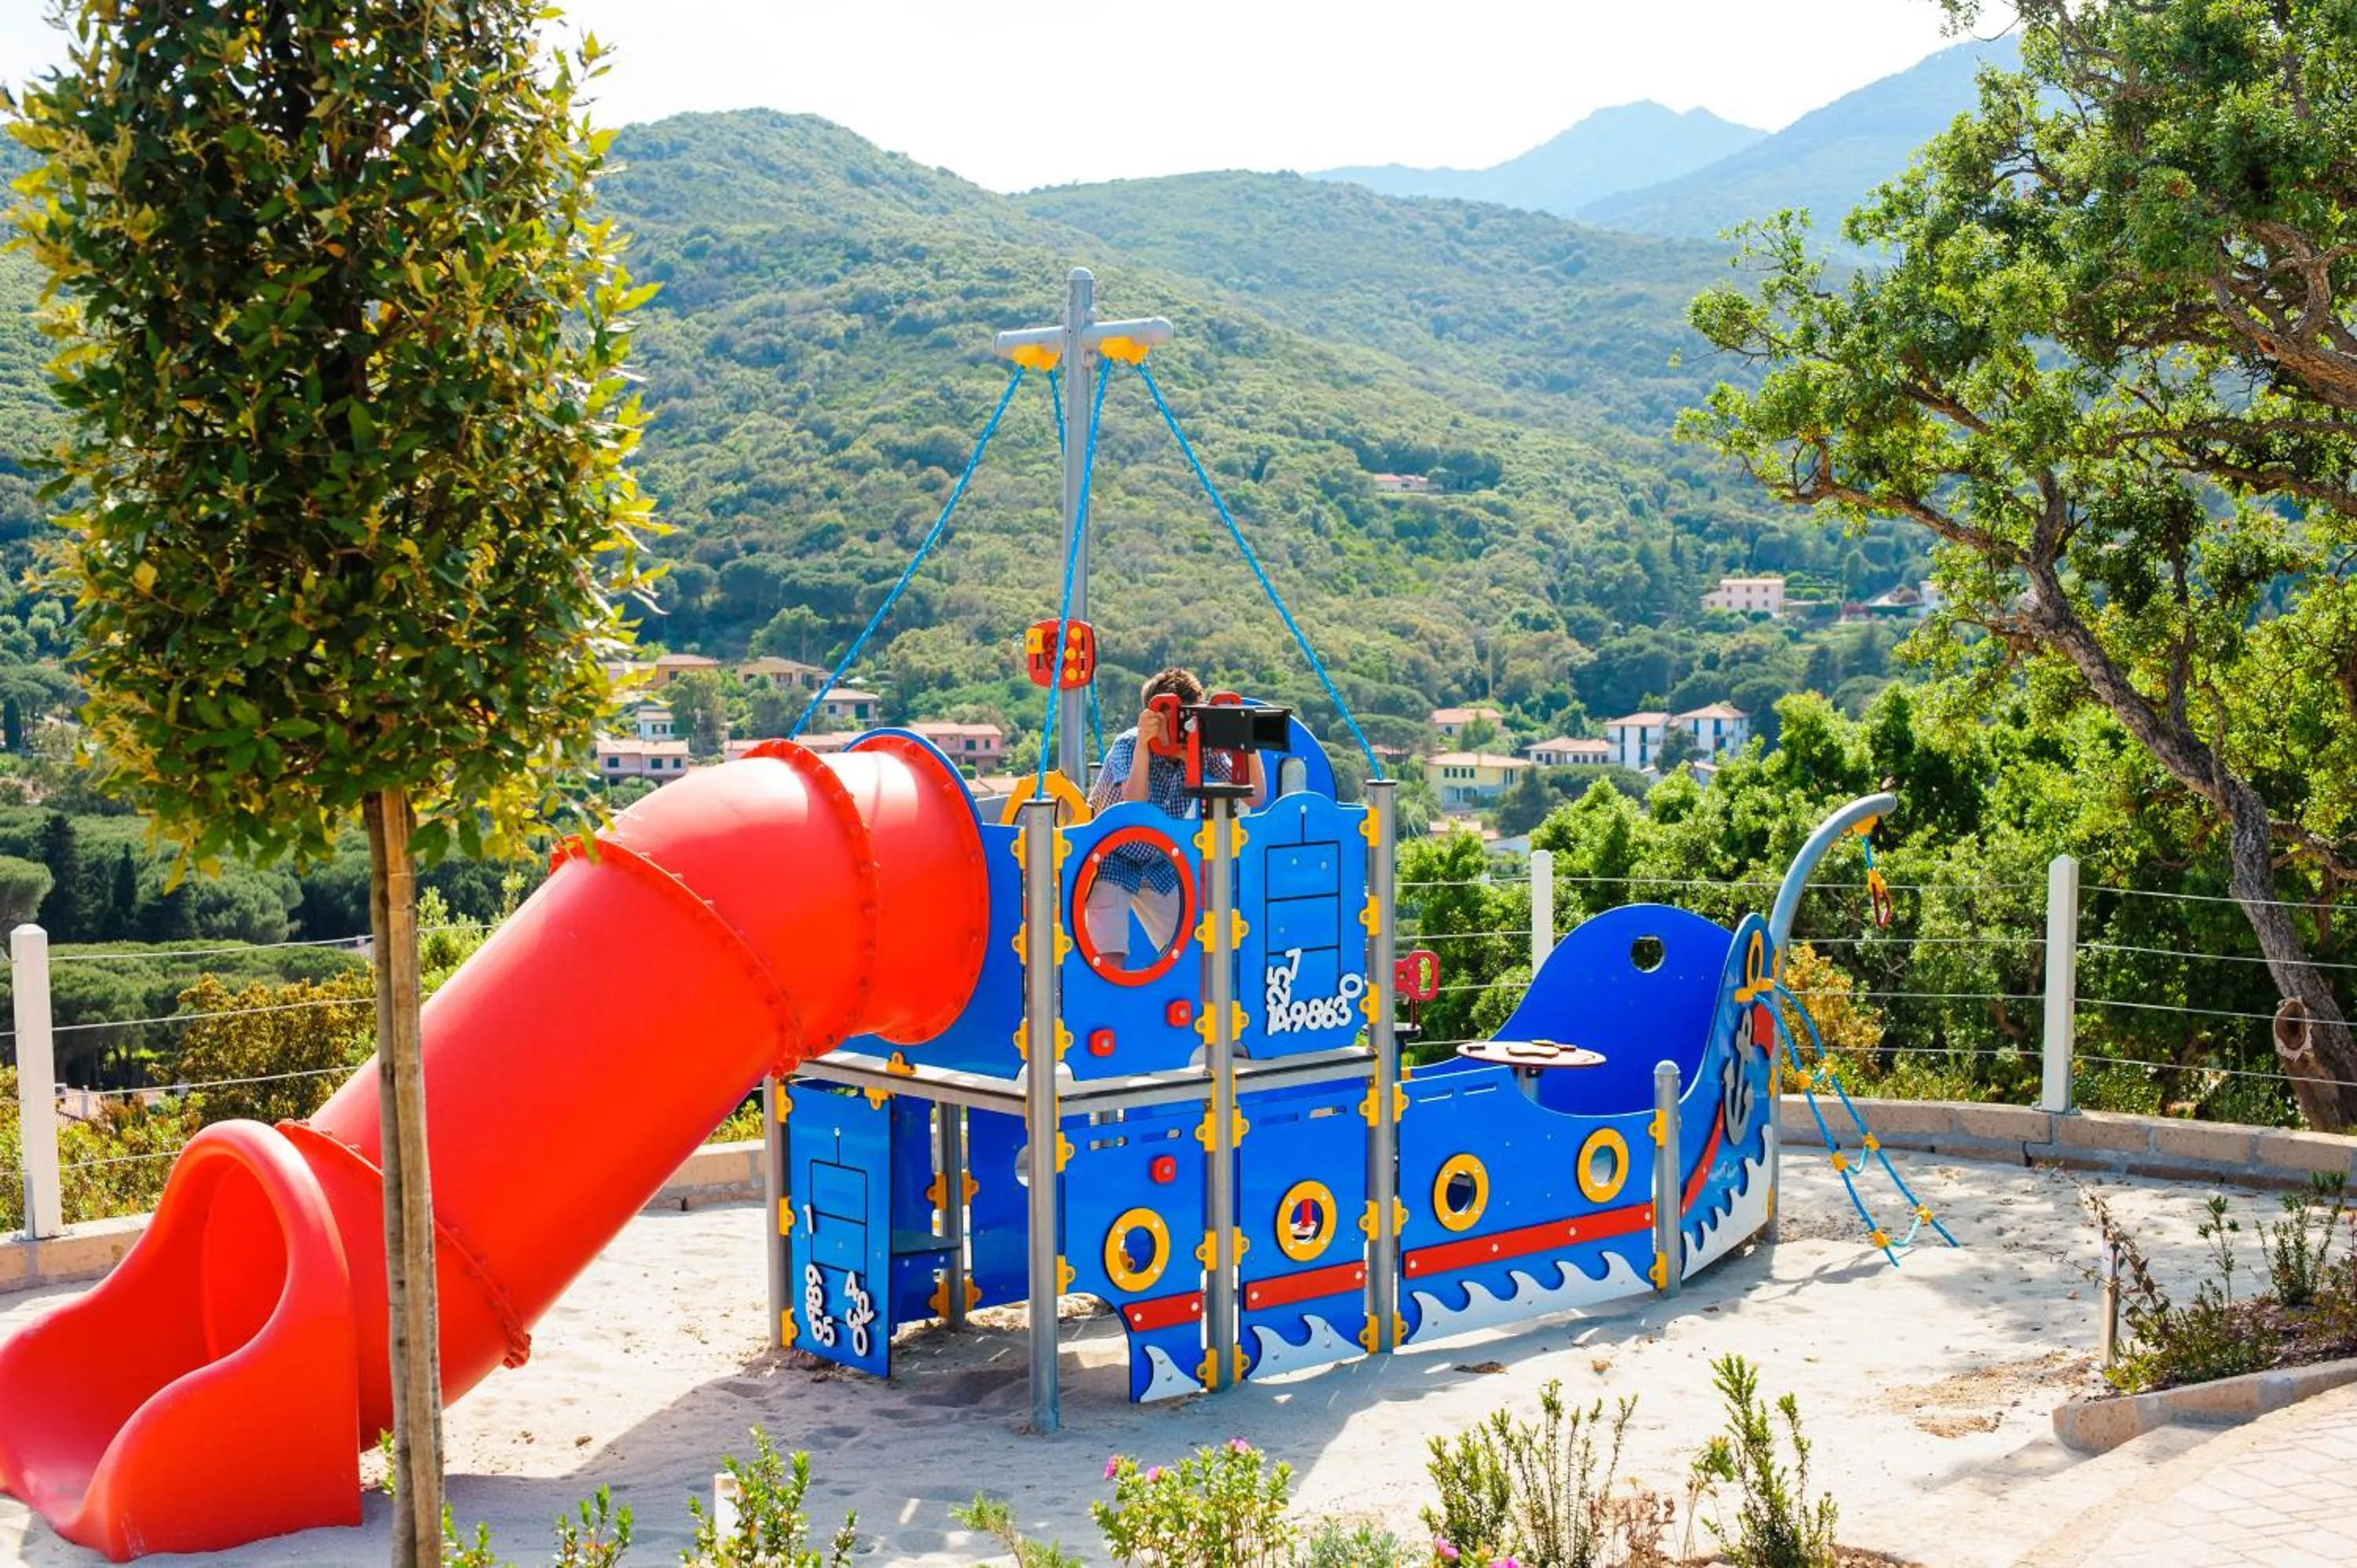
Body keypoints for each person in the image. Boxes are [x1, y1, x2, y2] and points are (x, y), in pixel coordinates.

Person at [1083, 666, 1268, 965]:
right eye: (1177, 721)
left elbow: (1255, 796)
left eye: (1192, 719)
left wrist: (1246, 743)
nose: (1185, 731)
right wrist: (1145, 746)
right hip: (1110, 855)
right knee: (1109, 955)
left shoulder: (1199, 749)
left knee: (1191, 948)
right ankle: (1105, 994)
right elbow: (1135, 802)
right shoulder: (1128, 744)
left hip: (1157, 861)